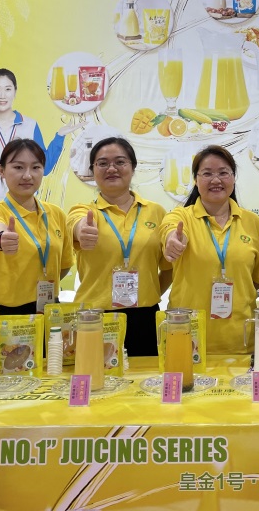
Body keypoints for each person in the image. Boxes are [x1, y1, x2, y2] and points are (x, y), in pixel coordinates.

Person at [161, 146, 259, 354]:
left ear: (234, 177)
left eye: (223, 173)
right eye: (207, 173)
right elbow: (169, 229)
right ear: (196, 179)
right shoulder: (181, 217)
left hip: (241, 340)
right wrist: (173, 239)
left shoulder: (254, 224)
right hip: (188, 338)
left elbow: (258, 277)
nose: (216, 180)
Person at [67, 137, 169, 356]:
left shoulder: (156, 212)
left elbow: (168, 269)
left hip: (144, 316)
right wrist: (82, 230)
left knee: (146, 375)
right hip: (95, 316)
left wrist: (145, 293)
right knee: (95, 375)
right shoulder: (83, 211)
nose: (111, 168)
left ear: (133, 167)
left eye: (120, 162)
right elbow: (76, 224)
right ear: (93, 170)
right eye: (102, 163)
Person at [0, 139, 73, 315]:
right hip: (3, 313)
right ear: (1, 170)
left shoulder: (56, 214)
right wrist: (1, 237)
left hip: (47, 308)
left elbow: (64, 265)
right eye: (18, 167)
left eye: (36, 167)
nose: (28, 175)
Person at [0, 68, 66, 200]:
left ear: (15, 91)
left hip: (26, 202)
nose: (2, 95)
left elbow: (45, 166)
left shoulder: (30, 126)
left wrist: (60, 136)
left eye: (8, 89)